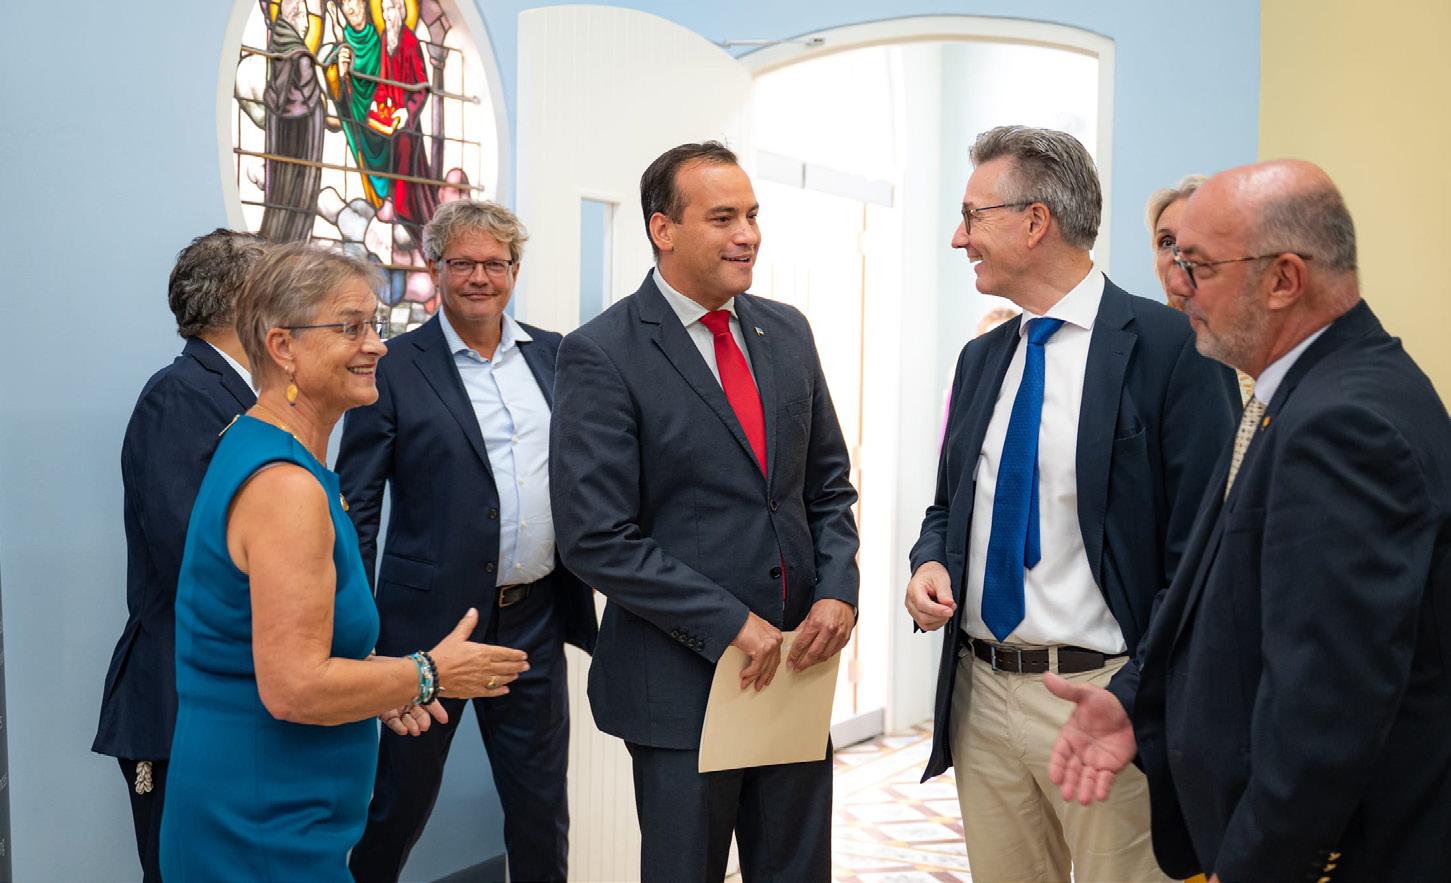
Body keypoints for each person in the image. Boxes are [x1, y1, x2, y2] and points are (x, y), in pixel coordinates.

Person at [1047, 160, 1451, 882]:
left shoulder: (1343, 425)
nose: (1177, 286)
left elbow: (1323, 711)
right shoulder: (1303, 393)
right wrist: (1135, 704)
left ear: (1283, 279)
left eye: (1198, 266)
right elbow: (1224, 593)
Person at [903, 125, 1238, 882]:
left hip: (1102, 699)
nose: (959, 238)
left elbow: (1202, 559)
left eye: (972, 216)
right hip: (979, 696)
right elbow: (946, 508)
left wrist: (1134, 696)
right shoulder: (981, 358)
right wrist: (929, 562)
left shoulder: (1173, 349)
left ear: (1035, 222)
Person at [159, 244, 524, 882]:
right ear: (283, 346)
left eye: (374, 325)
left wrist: (387, 683)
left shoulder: (275, 451)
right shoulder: (285, 487)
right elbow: (295, 687)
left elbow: (276, 652)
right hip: (261, 824)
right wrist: (428, 674)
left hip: (281, 810)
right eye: (351, 328)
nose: (377, 345)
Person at [550, 141, 860, 882]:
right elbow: (596, 538)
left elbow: (827, 487)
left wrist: (838, 590)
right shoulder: (602, 353)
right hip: (680, 688)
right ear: (663, 229)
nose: (747, 234)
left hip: (794, 671)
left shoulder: (787, 331)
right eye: (723, 218)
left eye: (752, 215)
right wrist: (728, 623)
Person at [338, 199, 596, 883]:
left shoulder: (557, 355)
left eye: (494, 263)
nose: (479, 277)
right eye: (462, 263)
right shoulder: (394, 365)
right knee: (399, 804)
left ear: (514, 269)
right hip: (427, 626)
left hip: (533, 619)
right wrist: (360, 629)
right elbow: (359, 505)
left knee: (541, 810)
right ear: (436, 268)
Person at [91, 230, 265, 881]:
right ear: (244, 301)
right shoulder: (180, 395)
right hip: (179, 695)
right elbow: (193, 558)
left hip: (226, 690)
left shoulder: (245, 397)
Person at [1147, 174, 1253, 404]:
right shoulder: (1138, 348)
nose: (1178, 254)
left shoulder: (1270, 351)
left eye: (1195, 238)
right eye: (1167, 242)